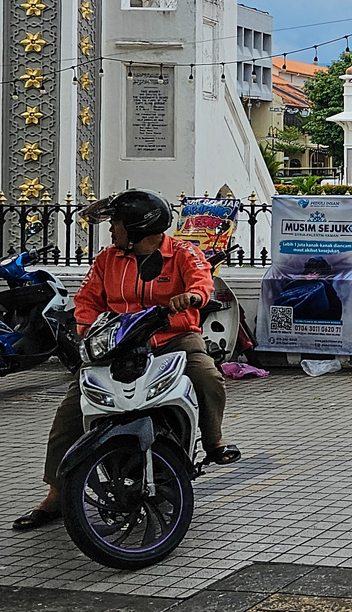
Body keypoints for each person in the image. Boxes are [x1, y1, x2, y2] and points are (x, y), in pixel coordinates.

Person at [12, 190, 241, 532]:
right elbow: (88, 299)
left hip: (172, 339)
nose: (111, 231)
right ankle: (56, 495)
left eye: (116, 224)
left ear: (137, 226)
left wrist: (192, 296)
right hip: (118, 343)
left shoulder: (182, 253)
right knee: (72, 409)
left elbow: (201, 280)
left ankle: (214, 441)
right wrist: (82, 328)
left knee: (206, 374)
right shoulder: (107, 259)